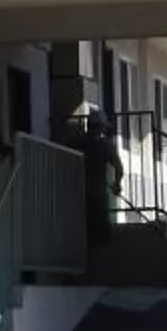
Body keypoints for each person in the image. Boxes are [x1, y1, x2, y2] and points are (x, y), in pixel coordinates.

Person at [63, 103, 120, 253]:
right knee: (103, 231)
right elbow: (119, 168)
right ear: (101, 127)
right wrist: (117, 184)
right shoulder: (105, 146)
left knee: (83, 228)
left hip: (77, 193)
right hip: (97, 192)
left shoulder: (76, 142)